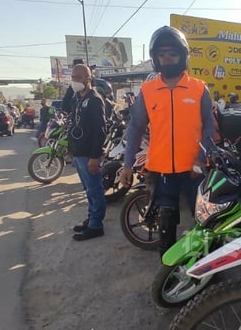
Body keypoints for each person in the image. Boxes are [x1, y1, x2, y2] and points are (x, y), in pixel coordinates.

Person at [119, 26, 216, 255]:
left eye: (172, 54)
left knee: (203, 222)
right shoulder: (148, 90)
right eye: (161, 55)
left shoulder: (199, 88)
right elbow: (135, 128)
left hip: (194, 170)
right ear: (155, 58)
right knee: (166, 225)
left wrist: (201, 158)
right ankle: (168, 270)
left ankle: (206, 268)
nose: (166, 59)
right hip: (161, 171)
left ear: (182, 56)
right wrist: (126, 164)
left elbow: (209, 126)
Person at [67, 64, 109, 241]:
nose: (74, 81)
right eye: (73, 77)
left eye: (78, 77)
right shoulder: (78, 98)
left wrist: (94, 157)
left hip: (89, 155)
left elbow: (100, 131)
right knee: (88, 190)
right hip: (78, 153)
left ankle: (96, 226)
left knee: (95, 190)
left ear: (88, 79)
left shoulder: (94, 100)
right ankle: (92, 218)